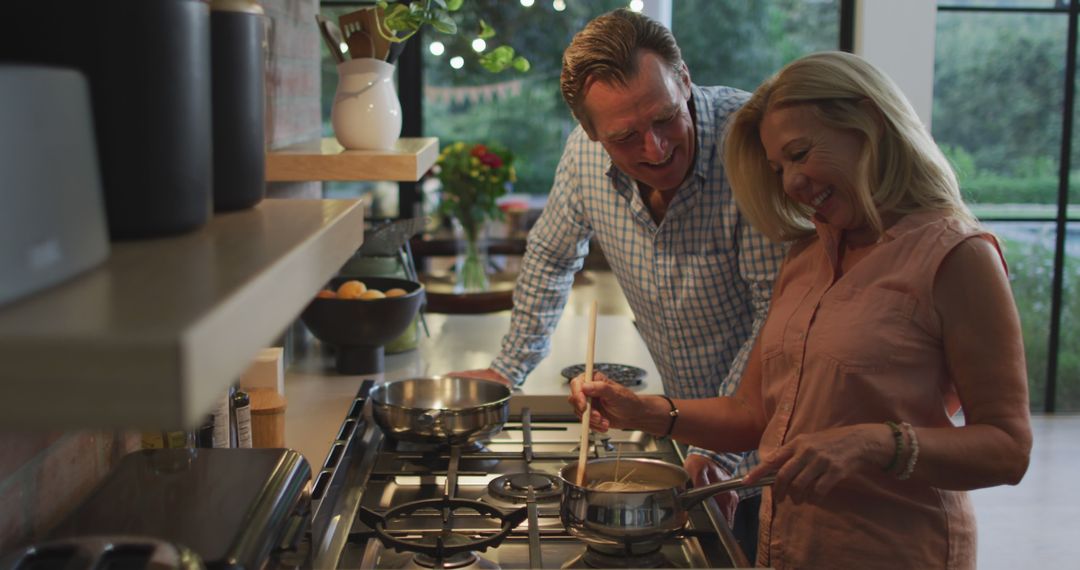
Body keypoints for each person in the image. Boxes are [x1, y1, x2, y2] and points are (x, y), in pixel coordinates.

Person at [569, 51, 1032, 569]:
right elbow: (752, 415)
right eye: (778, 167)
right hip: (788, 547)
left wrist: (879, 443)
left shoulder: (956, 255)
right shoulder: (807, 254)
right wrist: (647, 411)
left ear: (869, 122)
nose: (790, 183)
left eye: (800, 153)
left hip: (896, 551)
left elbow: (1007, 449)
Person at [453, 9, 785, 557]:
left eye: (665, 119)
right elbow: (550, 255)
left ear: (684, 80)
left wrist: (719, 451)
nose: (654, 149)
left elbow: (774, 316)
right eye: (626, 136)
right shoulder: (583, 157)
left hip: (768, 445)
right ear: (590, 132)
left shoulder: (748, 142)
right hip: (684, 432)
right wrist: (506, 369)